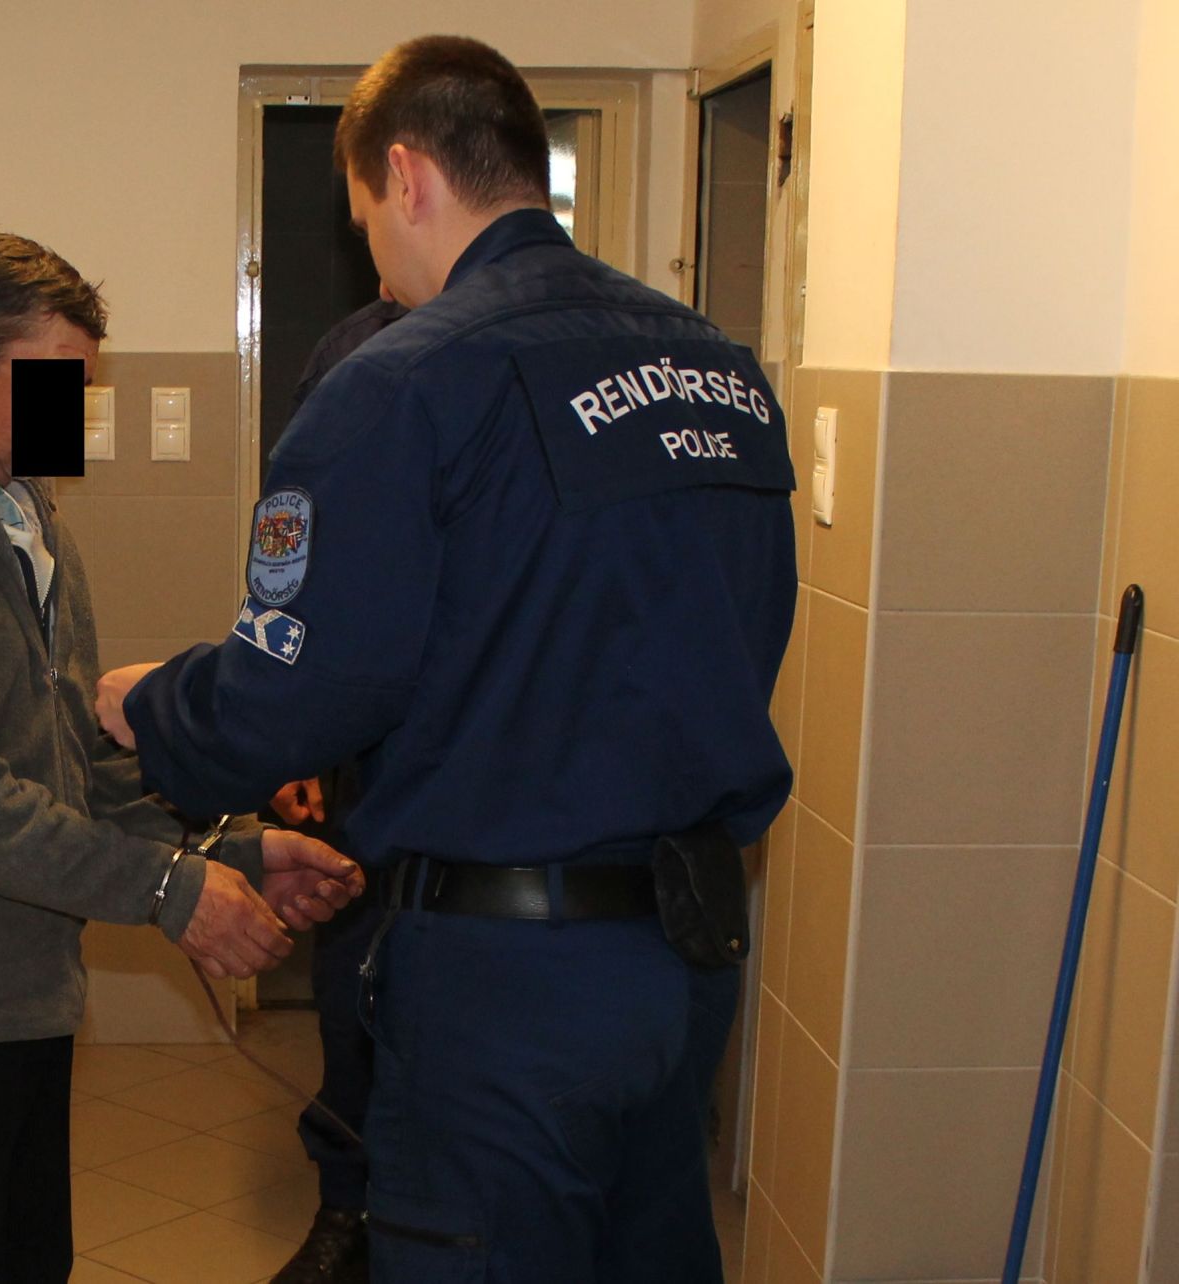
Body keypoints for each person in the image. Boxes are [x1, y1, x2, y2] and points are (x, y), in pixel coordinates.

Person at [97, 36, 795, 1284]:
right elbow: (741, 636)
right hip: (685, 963)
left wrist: (154, 709)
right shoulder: (719, 375)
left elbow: (294, 693)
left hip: (503, 987)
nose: (377, 257)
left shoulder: (402, 384)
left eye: (366, 216)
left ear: (407, 176)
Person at [0, 220, 365, 1284]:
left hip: (22, 989)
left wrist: (227, 851)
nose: (71, 420)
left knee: (30, 1261)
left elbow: (70, 761)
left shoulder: (22, 513)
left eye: (80, 392)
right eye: (52, 385)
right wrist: (168, 893)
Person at [265, 289, 406, 1284]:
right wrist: (285, 746)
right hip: (360, 772)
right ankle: (345, 1208)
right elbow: (289, 601)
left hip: (469, 787)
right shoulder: (350, 354)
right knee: (350, 997)